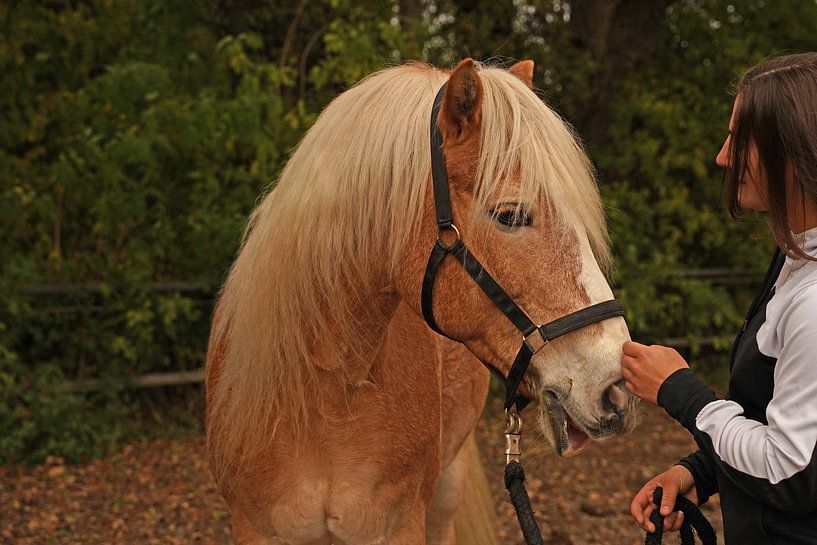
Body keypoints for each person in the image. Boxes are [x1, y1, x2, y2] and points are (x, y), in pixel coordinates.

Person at [621, 53, 817, 544]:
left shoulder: (813, 301)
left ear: (792, 149)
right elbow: (769, 416)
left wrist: (681, 392)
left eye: (739, 139)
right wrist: (698, 473)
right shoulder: (794, 260)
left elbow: (788, 473)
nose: (723, 157)